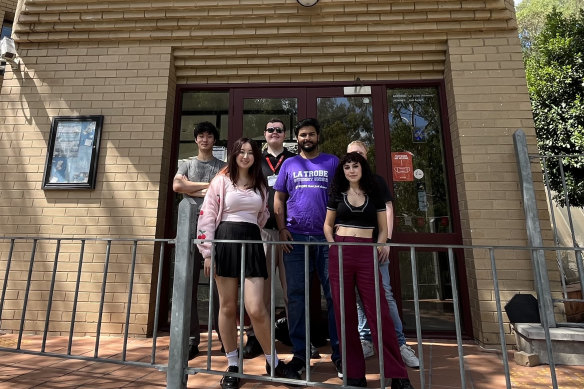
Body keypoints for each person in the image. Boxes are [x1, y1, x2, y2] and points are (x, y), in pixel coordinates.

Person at [197, 138, 300, 389]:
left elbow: (263, 216)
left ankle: (272, 362)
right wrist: (207, 252)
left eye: (250, 153)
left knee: (256, 307)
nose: (245, 156)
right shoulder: (221, 181)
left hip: (253, 242)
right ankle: (233, 364)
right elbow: (208, 215)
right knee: (228, 307)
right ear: (234, 155)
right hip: (226, 242)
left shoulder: (260, 185)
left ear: (255, 156)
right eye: (241, 152)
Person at [324, 152, 414, 389]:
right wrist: (333, 245)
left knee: (379, 312)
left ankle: (398, 375)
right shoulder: (336, 194)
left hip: (366, 252)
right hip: (341, 251)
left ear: (362, 168)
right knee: (344, 314)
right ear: (342, 171)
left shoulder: (374, 194)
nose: (351, 170)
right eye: (347, 167)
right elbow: (327, 224)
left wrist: (383, 243)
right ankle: (354, 375)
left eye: (355, 166)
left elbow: (383, 228)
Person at [273, 118, 341, 377]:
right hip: (296, 240)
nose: (307, 138)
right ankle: (300, 355)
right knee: (297, 297)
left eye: (311, 134)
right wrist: (281, 229)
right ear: (297, 138)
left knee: (335, 296)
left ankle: (340, 354)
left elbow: (341, 197)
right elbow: (279, 198)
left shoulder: (332, 162)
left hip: (326, 240)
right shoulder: (289, 164)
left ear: (318, 136)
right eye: (302, 135)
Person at [347, 141, 420, 368]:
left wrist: (385, 240)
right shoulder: (344, 182)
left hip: (376, 247)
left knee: (385, 294)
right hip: (353, 247)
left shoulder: (376, 181)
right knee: (360, 297)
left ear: (366, 157)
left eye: (360, 154)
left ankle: (399, 343)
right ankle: (366, 339)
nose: (356, 158)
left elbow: (388, 208)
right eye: (352, 155)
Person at [243, 118, 295, 359]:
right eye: (270, 129)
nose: (274, 132)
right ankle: (255, 339)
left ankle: (298, 338)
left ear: (285, 134)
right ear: (264, 134)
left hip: (288, 231)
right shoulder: (254, 160)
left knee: (291, 290)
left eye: (279, 129)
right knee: (259, 292)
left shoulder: (294, 160)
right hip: (261, 230)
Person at [173, 121, 225, 360]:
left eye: (209, 136)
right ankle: (192, 339)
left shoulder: (222, 166)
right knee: (188, 287)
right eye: (201, 136)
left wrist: (190, 189)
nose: (205, 140)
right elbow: (176, 185)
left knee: (219, 288)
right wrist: (207, 186)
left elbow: (222, 192)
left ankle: (224, 337)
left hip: (216, 232)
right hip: (188, 232)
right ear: (196, 140)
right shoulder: (187, 163)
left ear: (215, 140)